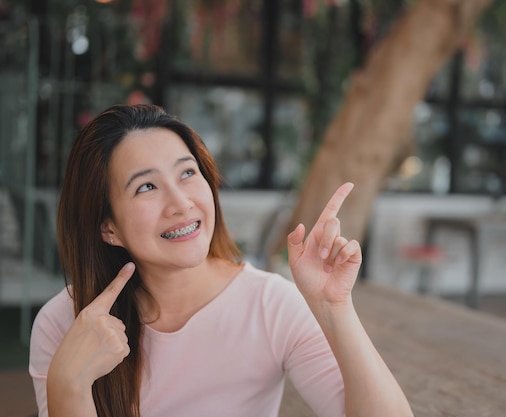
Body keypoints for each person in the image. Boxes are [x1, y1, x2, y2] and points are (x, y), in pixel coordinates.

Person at [29, 104, 413, 417]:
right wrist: (69, 385)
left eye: (187, 173)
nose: (182, 203)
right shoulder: (64, 323)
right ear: (107, 227)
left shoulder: (271, 305)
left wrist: (334, 308)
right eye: (146, 186)